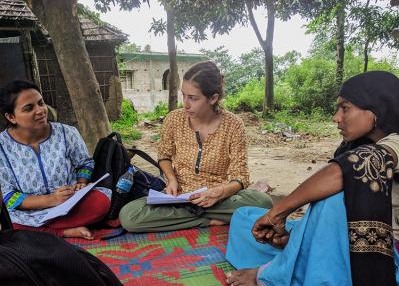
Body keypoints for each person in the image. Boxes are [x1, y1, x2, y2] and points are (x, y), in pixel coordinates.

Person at [225, 71, 399, 286]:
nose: (336, 117)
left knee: (332, 200)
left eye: (345, 108)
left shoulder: (394, 144)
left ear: (376, 110)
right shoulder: (359, 144)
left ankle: (276, 274)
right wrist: (298, 234)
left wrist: (278, 213)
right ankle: (300, 256)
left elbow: (349, 170)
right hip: (339, 238)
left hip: (381, 251)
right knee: (244, 216)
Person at [119, 61, 273, 232]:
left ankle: (194, 217)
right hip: (180, 197)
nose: (185, 104)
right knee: (129, 216)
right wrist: (171, 179)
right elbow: (164, 156)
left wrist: (219, 192)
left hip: (219, 199)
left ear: (213, 98)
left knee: (262, 202)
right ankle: (209, 220)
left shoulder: (233, 125)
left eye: (193, 98)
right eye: (183, 95)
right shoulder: (174, 119)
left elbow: (240, 176)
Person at [0, 80, 111, 240]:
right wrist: (50, 200)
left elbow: (85, 164)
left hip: (71, 204)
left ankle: (38, 232)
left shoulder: (67, 133)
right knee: (8, 220)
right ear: (11, 117)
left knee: (101, 202)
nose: (40, 111)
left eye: (41, 103)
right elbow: (7, 195)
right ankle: (63, 232)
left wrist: (81, 183)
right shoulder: (2, 146)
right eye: (29, 108)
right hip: (27, 211)